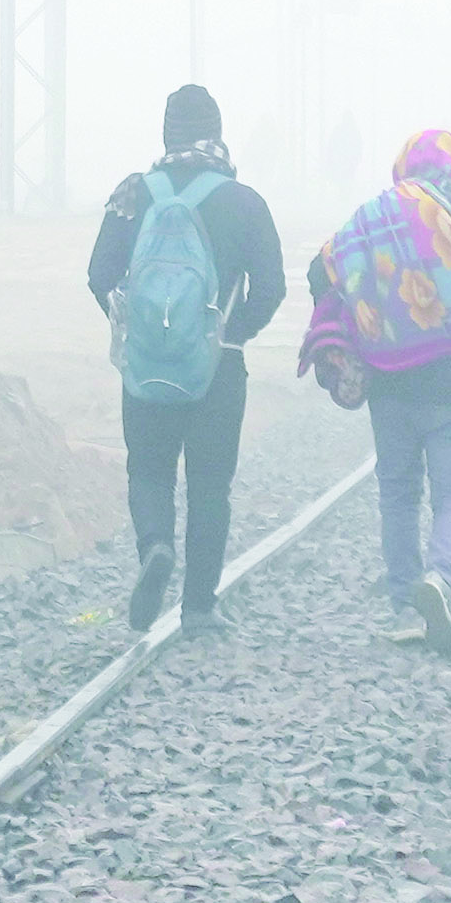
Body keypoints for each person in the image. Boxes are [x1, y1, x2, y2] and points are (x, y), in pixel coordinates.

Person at [84, 83, 285, 637]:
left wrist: (135, 326)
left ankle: (155, 547)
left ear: (166, 131)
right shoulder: (243, 201)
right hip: (216, 370)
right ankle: (198, 608)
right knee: (210, 483)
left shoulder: (133, 192)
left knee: (148, 469)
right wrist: (230, 333)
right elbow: (272, 286)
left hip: (147, 363)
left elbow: (98, 274)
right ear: (217, 132)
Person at [298, 126, 451, 655]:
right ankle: (439, 579)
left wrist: (367, 305)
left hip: (393, 380)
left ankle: (404, 608)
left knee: (397, 494)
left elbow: (319, 270)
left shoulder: (379, 217)